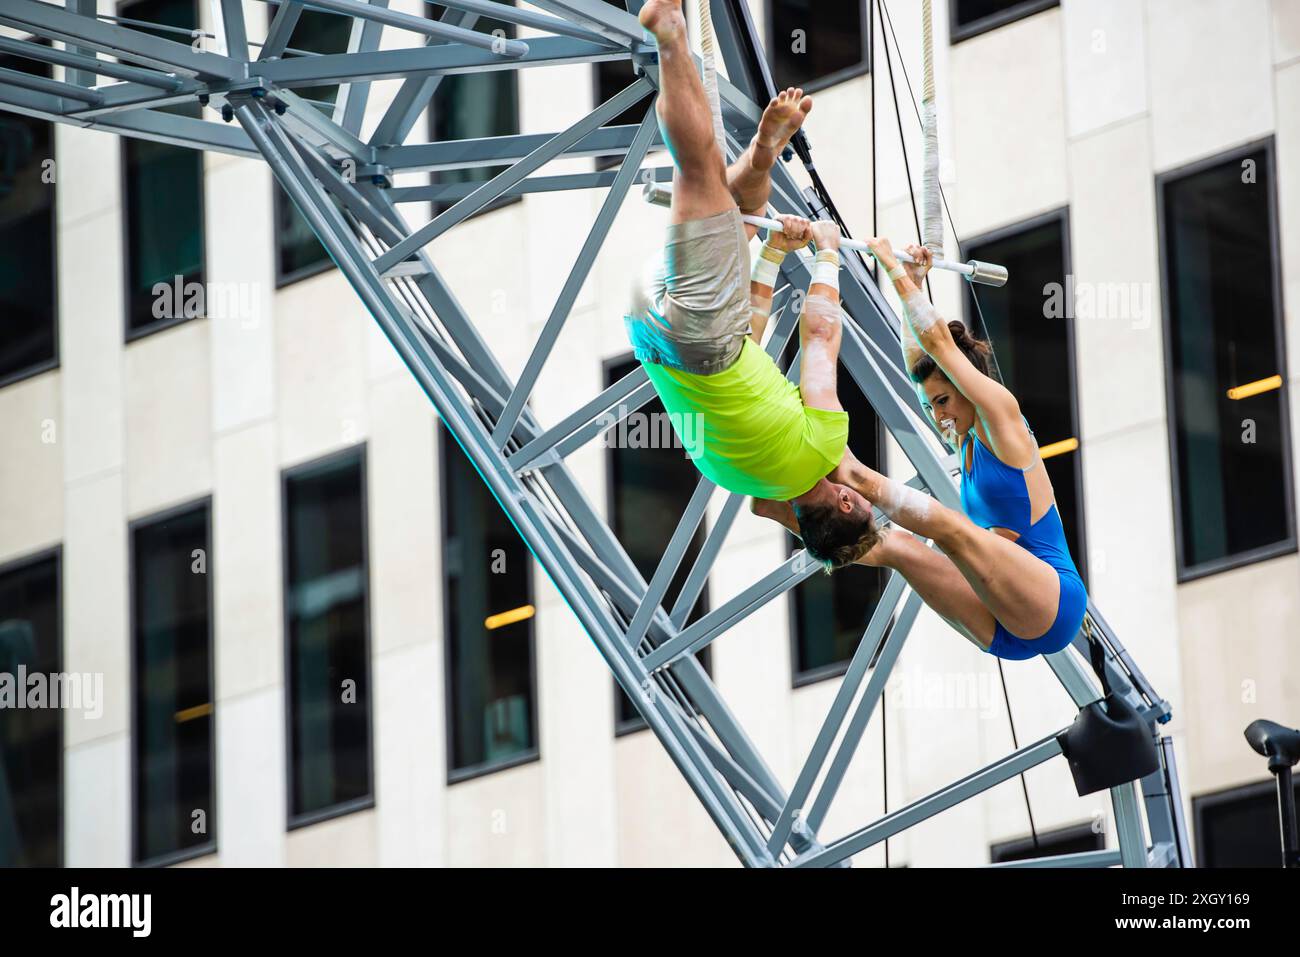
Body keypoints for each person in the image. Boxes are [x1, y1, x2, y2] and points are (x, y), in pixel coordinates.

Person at [627, 0, 881, 570]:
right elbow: (750, 346)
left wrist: (828, 253)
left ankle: (668, 30)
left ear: (845, 498)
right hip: (653, 327)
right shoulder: (737, 473)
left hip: (703, 336)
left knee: (701, 171)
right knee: (741, 211)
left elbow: (819, 337)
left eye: (859, 493)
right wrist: (772, 252)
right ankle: (764, 155)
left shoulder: (822, 443)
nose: (858, 480)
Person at [754, 238, 1088, 660]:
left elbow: (939, 348)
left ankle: (845, 476)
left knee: (951, 531)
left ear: (966, 387)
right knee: (898, 547)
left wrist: (892, 266)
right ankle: (784, 505)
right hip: (1002, 623)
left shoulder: (1002, 419)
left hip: (1051, 603)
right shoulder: (961, 434)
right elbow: (919, 365)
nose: (937, 416)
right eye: (931, 406)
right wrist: (912, 279)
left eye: (943, 401)